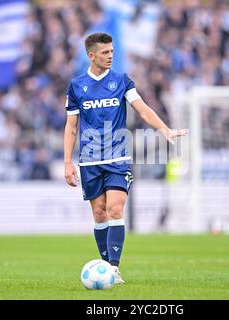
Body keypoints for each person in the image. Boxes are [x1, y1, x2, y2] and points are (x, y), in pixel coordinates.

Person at [63, 33, 188, 284]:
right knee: (99, 213)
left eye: (112, 51)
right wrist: (67, 162)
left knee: (115, 208)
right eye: (105, 52)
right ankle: (106, 265)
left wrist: (163, 128)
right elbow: (71, 127)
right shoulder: (77, 86)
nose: (110, 56)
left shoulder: (121, 81)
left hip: (118, 157)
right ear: (91, 55)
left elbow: (142, 108)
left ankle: (113, 267)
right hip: (89, 160)